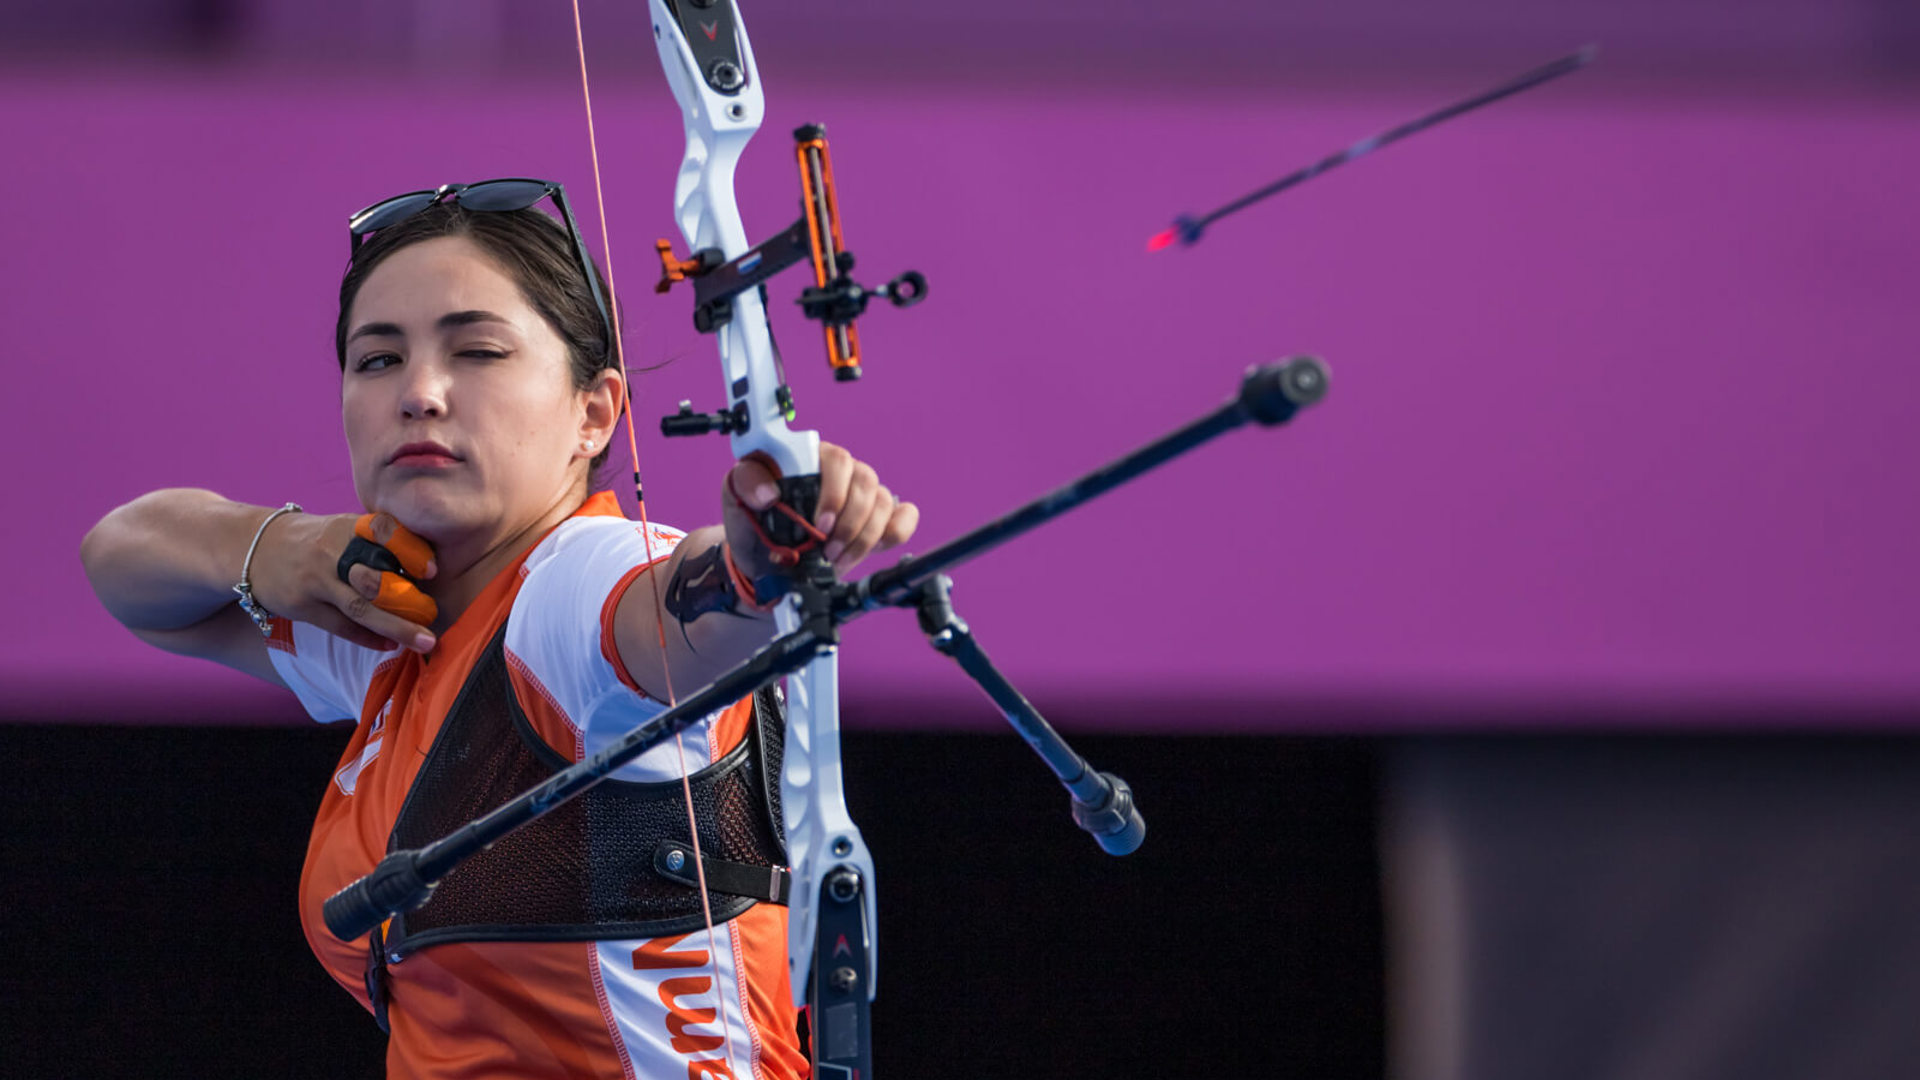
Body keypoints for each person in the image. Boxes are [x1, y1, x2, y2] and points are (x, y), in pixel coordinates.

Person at [80, 183, 917, 1079]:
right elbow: (121, 561)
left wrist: (755, 560)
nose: (420, 394)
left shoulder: (572, 588)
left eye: (477, 350)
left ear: (595, 414)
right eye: (377, 360)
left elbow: (680, 613)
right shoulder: (390, 625)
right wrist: (274, 544)